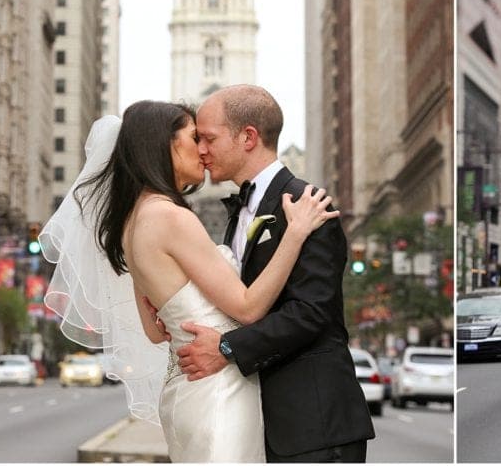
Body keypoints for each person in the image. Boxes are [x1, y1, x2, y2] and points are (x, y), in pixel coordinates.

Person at [40, 102, 338, 462]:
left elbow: (154, 331)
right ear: (162, 145)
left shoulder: (132, 222)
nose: (202, 149)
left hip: (185, 391)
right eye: (194, 137)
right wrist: (296, 233)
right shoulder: (170, 217)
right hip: (218, 390)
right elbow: (248, 306)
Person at [175, 85, 375, 462]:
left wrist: (227, 348)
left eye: (209, 138)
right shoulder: (239, 212)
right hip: (260, 420)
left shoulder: (309, 205)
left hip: (313, 426)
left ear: (248, 137)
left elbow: (312, 312)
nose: (201, 149)